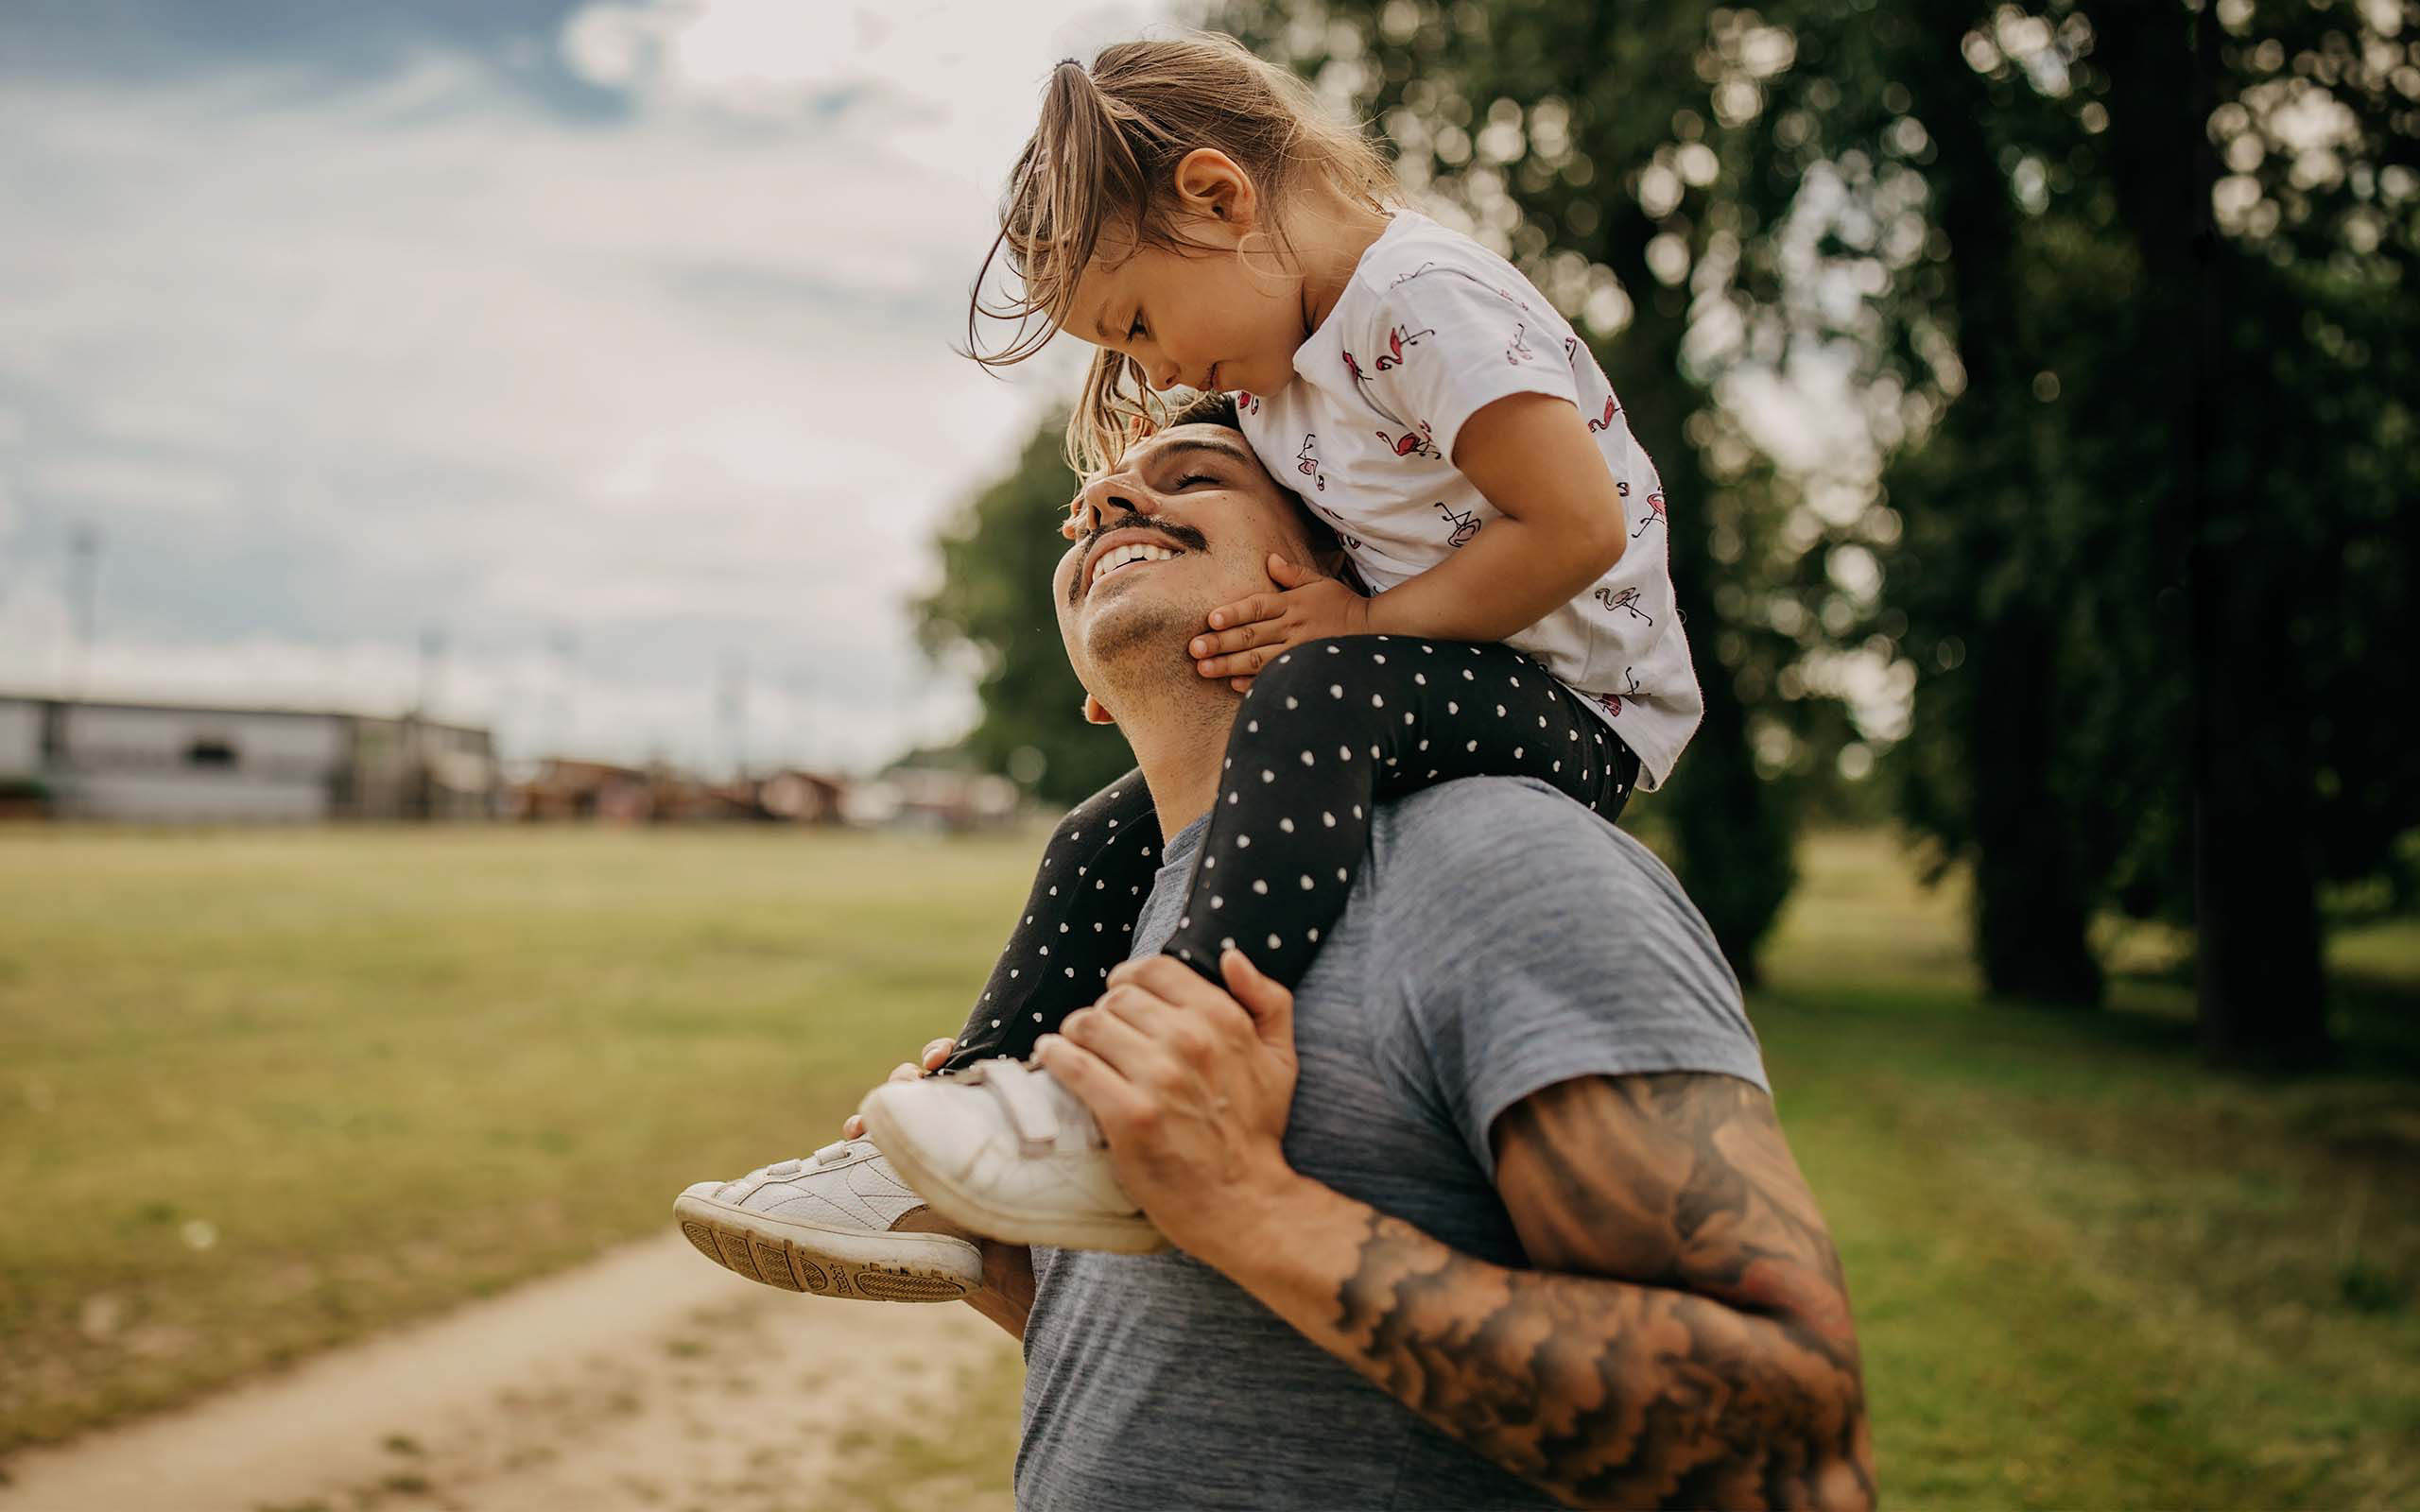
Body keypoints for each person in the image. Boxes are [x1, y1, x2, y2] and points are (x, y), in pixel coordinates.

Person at [679, 30, 1708, 1264]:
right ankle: (956, 1141)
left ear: (1220, 198)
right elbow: (1203, 471)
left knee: (1324, 685)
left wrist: (1365, 624)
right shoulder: (1288, 367)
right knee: (1098, 832)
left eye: (1137, 321)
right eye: (1121, 354)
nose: (1151, 367)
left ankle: (1153, 1088)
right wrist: (1122, 504)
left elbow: (1577, 526)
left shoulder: (1424, 302)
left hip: (1579, 701)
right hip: (1443, 677)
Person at [893, 402, 1869, 1507]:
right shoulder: (1120, 919)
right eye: (1092, 511)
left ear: (1339, 571)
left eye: (1197, 477)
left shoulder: (1506, 864)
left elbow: (1791, 1451)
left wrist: (1255, 1208)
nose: (1111, 501)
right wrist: (1018, 1264)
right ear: (1089, 688)